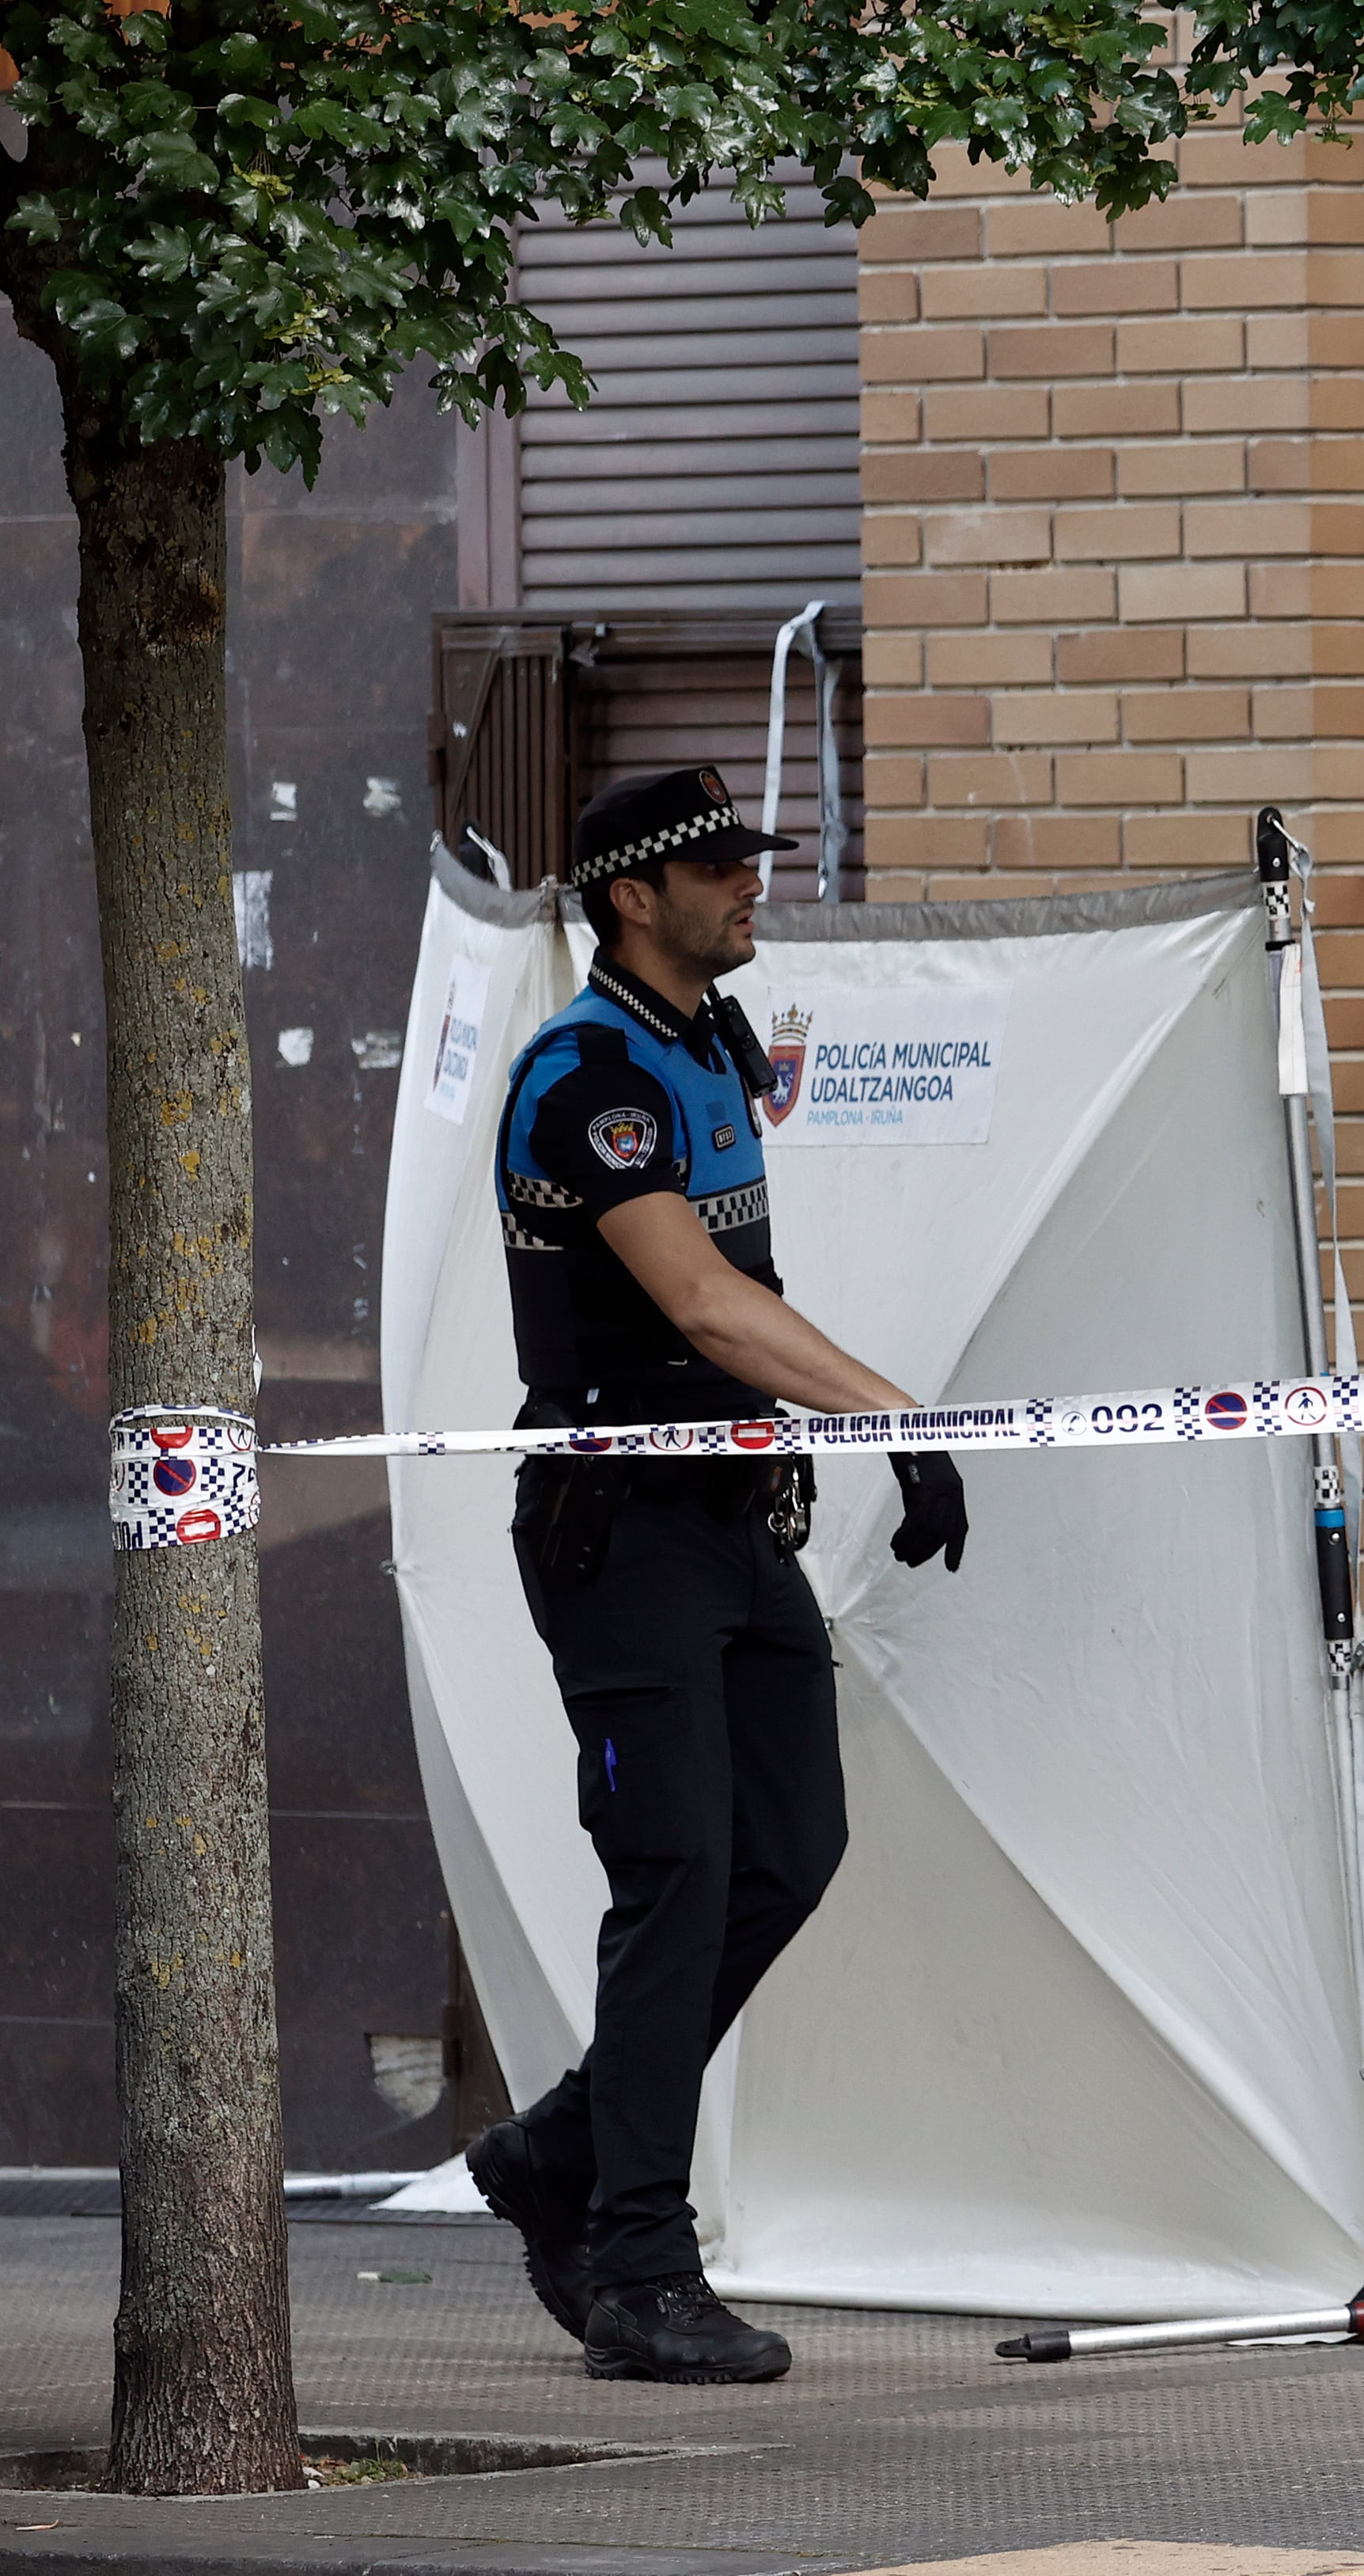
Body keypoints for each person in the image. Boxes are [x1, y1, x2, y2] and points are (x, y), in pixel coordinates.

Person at [466, 767, 972, 2384]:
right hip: (625, 1536)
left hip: (733, 1519)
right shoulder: (586, 1071)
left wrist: (838, 1434)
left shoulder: (704, 1043)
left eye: (752, 854)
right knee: (675, 1874)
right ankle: (637, 2270)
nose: (752, 881)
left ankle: (560, 2145)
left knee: (790, 1846)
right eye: (717, 863)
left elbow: (744, 1305)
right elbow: (700, 1302)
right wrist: (901, 1413)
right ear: (631, 892)